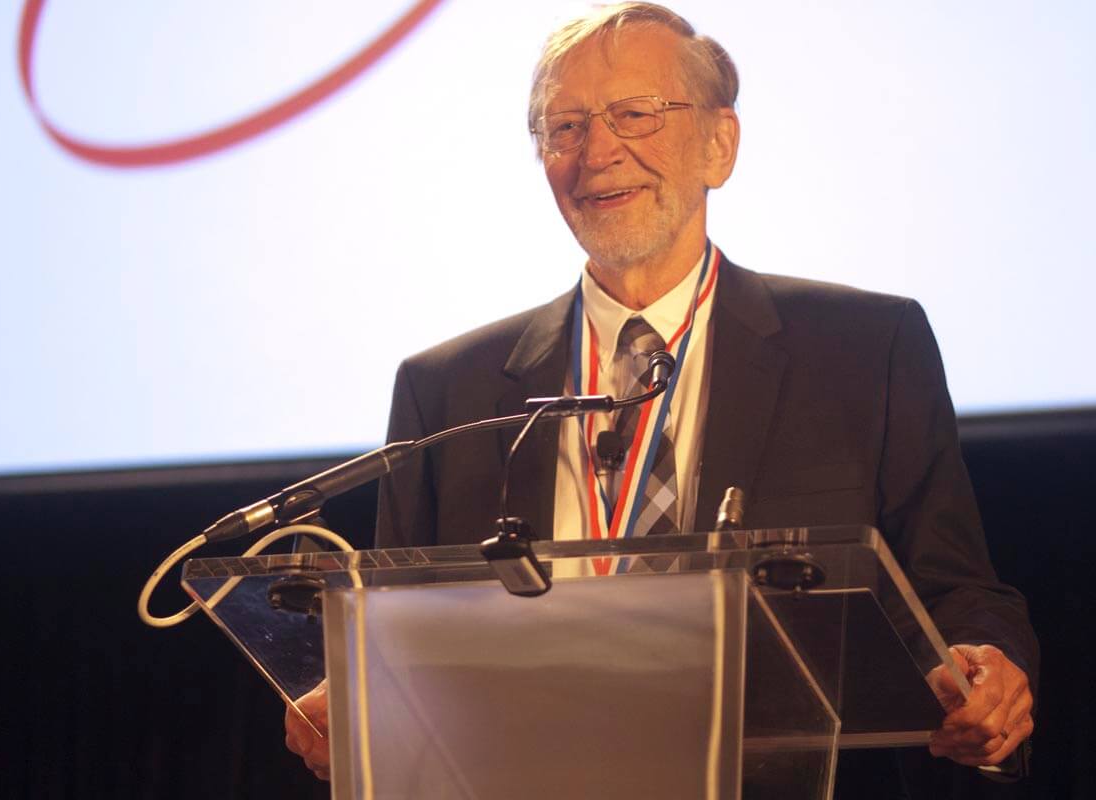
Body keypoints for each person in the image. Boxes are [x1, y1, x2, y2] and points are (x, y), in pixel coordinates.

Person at [286, 3, 1038, 795]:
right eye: (564, 127)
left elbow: (958, 593)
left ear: (720, 143)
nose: (597, 153)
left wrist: (988, 670)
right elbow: (401, 639)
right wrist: (360, 700)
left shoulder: (864, 348)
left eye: (635, 115)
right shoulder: (448, 391)